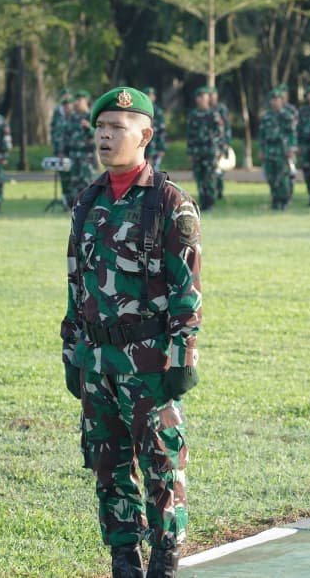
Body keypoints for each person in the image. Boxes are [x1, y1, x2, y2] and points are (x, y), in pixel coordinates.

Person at [61, 86, 202, 578]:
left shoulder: (170, 204)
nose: (105, 136)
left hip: (149, 364)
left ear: (144, 135)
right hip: (98, 362)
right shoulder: (87, 201)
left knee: (162, 469)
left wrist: (182, 358)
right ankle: (123, 558)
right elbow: (76, 285)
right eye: (100, 128)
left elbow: (187, 292)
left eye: (116, 128)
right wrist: (70, 351)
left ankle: (165, 559)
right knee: (109, 470)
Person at [259, 87, 297, 210]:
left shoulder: (287, 116)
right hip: (269, 150)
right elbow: (262, 135)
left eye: (277, 99)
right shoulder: (266, 117)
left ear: (282, 100)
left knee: (283, 177)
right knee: (271, 177)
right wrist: (261, 149)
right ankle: (275, 201)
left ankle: (284, 201)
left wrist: (292, 149)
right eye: (272, 99)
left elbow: (292, 134)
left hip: (282, 150)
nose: (274, 102)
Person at [185, 86, 218, 210]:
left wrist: (217, 150)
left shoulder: (213, 114)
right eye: (199, 97)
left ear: (208, 99)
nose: (201, 100)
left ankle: (210, 203)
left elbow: (219, 133)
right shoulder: (193, 115)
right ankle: (203, 202)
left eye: (203, 97)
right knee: (199, 177)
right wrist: (190, 152)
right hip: (196, 152)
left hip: (209, 152)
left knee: (209, 178)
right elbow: (189, 135)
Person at [66, 90, 98, 202]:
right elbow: (67, 135)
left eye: (80, 100)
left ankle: (89, 205)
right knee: (74, 182)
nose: (77, 102)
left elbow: (98, 134)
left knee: (87, 182)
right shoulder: (72, 117)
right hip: (74, 155)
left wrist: (89, 128)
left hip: (86, 155)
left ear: (86, 101)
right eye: (76, 100)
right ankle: (76, 206)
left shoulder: (91, 116)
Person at [52, 89, 76, 207]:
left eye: (69, 105)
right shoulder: (58, 118)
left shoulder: (76, 118)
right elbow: (55, 136)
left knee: (75, 179)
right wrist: (58, 151)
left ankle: (75, 203)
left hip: (74, 153)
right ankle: (66, 202)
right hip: (62, 154)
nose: (67, 107)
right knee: (65, 179)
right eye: (65, 105)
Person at [209, 86, 232, 201]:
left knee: (219, 168)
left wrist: (226, 143)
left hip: (220, 144)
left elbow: (226, 126)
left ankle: (219, 191)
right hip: (210, 145)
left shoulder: (221, 109)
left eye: (213, 95)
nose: (211, 98)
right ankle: (212, 192)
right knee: (212, 169)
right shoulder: (207, 109)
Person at [144, 86, 167, 169]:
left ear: (154, 97)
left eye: (151, 95)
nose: (149, 97)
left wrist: (161, 148)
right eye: (147, 95)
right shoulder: (140, 112)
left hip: (155, 146)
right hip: (143, 147)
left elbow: (162, 131)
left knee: (154, 171)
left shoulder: (158, 112)